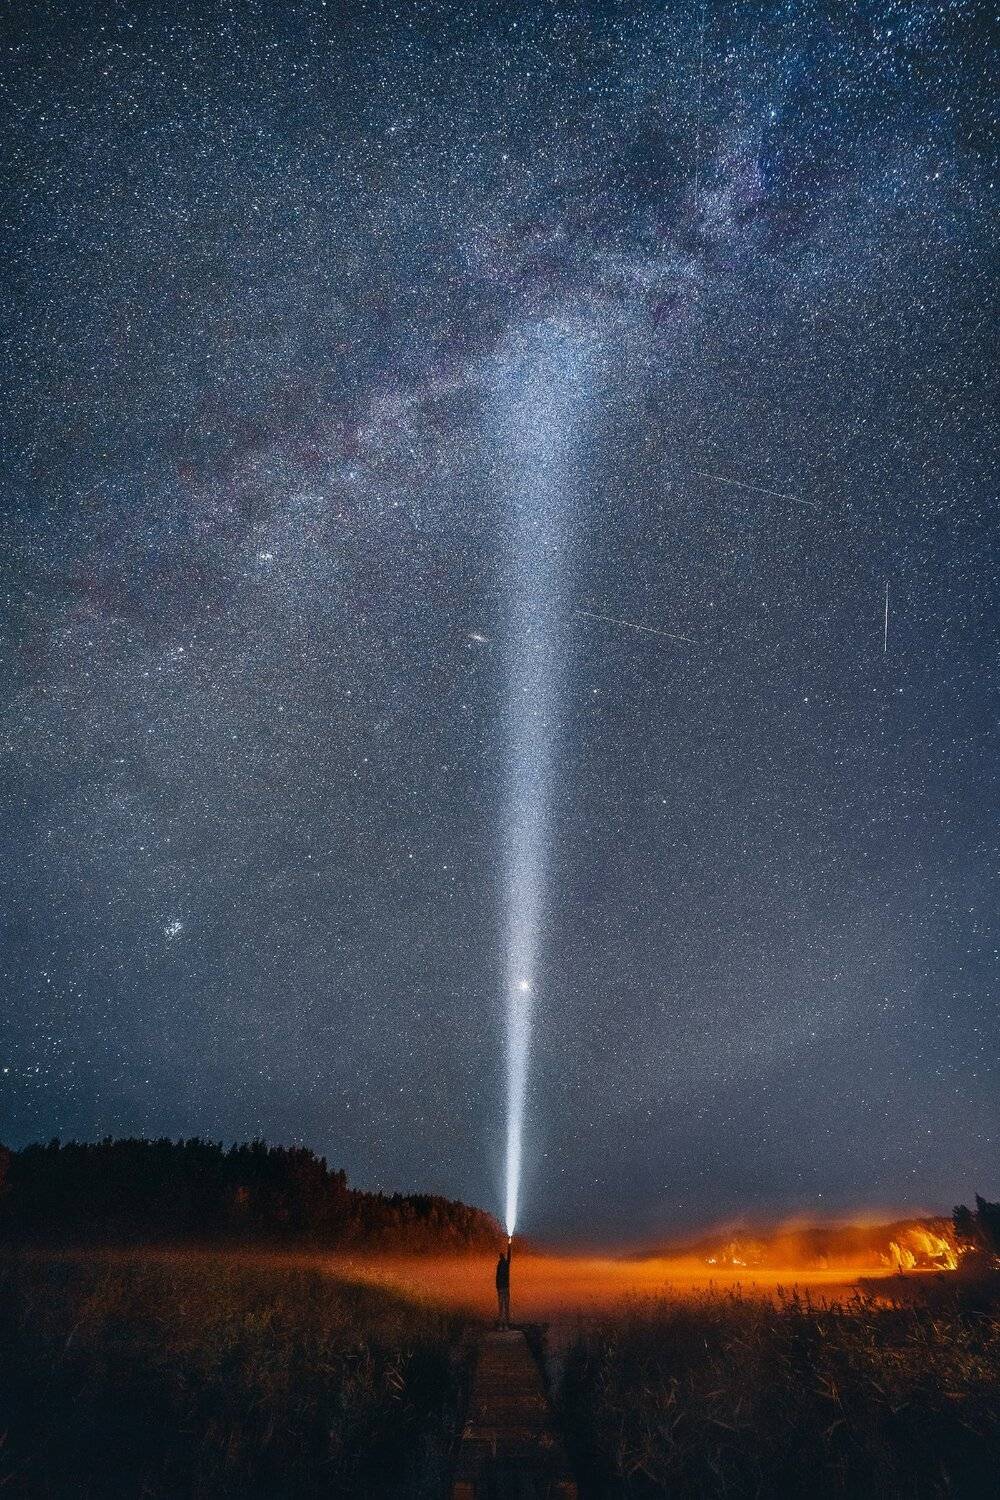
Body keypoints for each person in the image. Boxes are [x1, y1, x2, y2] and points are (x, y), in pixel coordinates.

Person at [495, 1236, 512, 1327]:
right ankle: (506, 1325)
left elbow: (496, 1277)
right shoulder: (506, 1264)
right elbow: (509, 1255)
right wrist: (509, 1243)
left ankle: (501, 1325)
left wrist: (497, 1288)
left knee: (501, 1308)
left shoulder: (499, 1265)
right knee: (506, 1307)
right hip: (505, 1288)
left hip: (501, 1289)